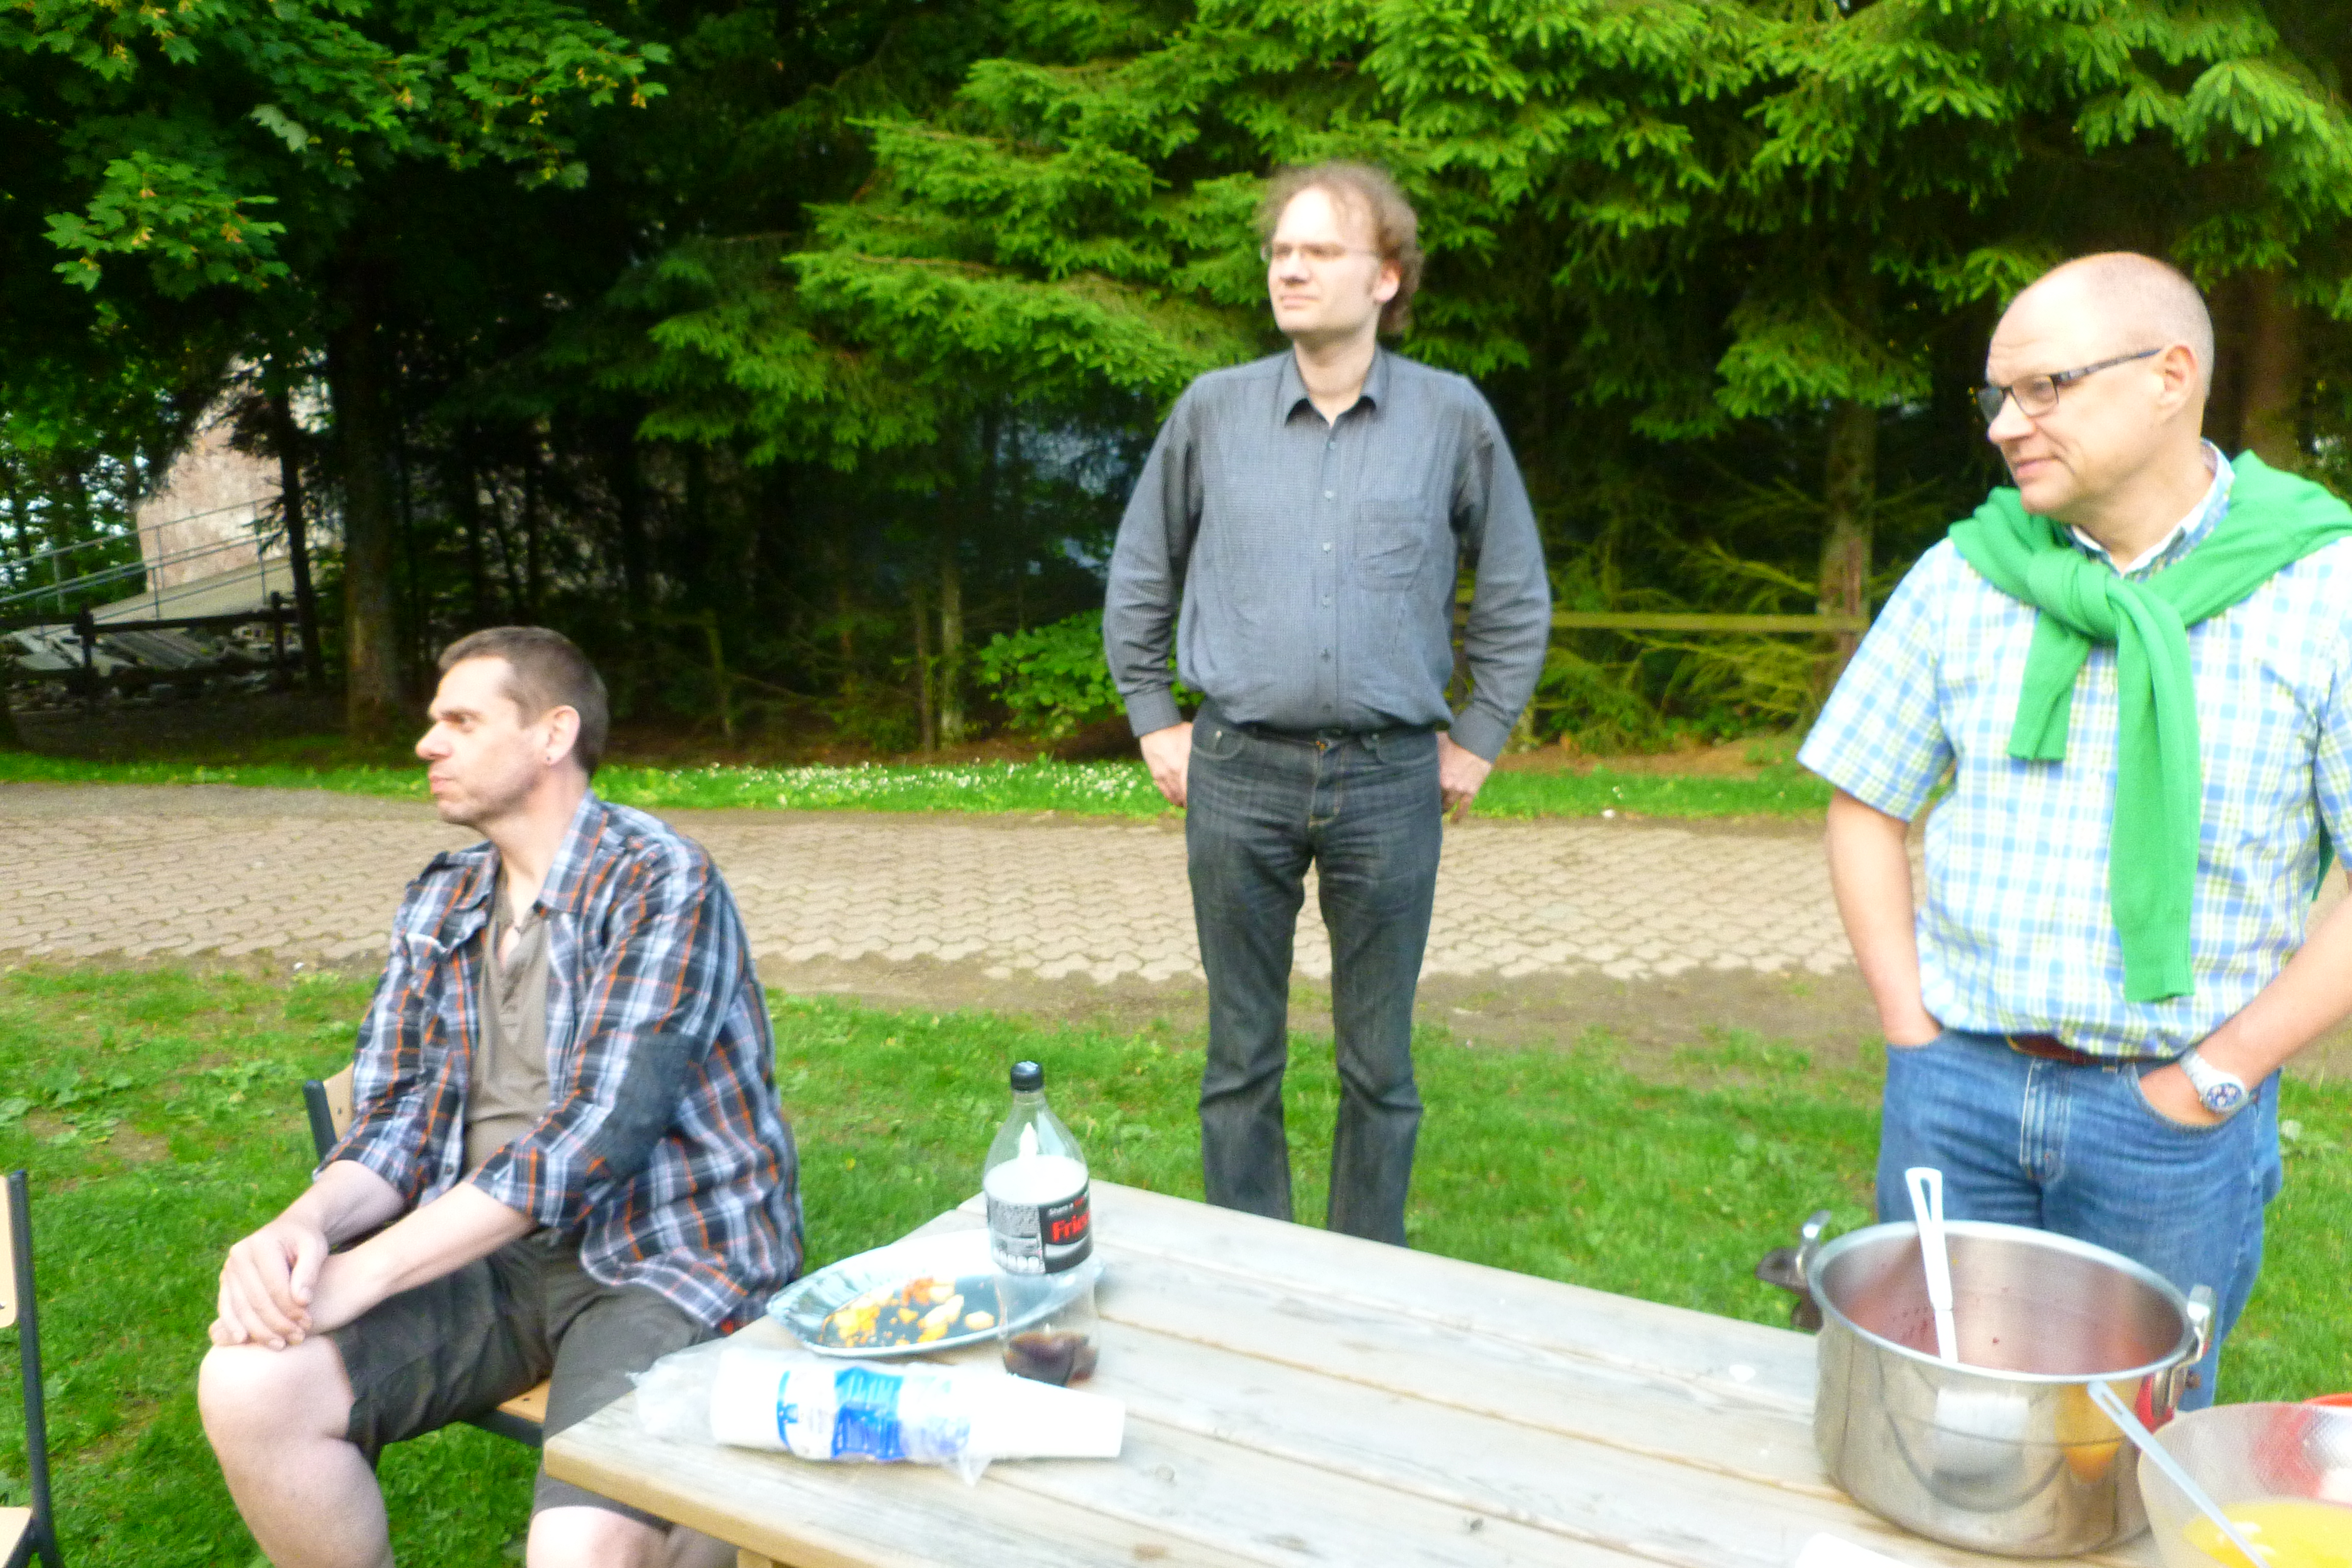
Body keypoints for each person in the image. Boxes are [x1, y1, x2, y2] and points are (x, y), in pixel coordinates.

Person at [1801, 253, 2352, 1403]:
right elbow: (1864, 800)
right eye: (1997, 395)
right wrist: (1911, 1030)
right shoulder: (1968, 574)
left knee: (2129, 1440)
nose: (2006, 425)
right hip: (1956, 1089)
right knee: (1923, 1410)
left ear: (2171, 377)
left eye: (2043, 387)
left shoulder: (2322, 589)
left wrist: (2214, 1079)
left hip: (2174, 1119)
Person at [198, 627, 801, 1567]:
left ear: (552, 734)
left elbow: (597, 1137)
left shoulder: (660, 881)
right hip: (493, 1259)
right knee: (248, 1387)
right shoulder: (443, 898)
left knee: (577, 1554)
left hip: (665, 1259)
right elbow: (400, 1113)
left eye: (461, 721)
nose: (426, 743)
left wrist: (366, 1272)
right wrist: (303, 1225)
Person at [1102, 161, 1551, 1245]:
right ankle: (1254, 1273)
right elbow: (1142, 571)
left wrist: (1479, 738)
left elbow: (1514, 588)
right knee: (1239, 1058)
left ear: (1386, 278)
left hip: (1393, 781)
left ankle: (1365, 1276)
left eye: (1320, 251)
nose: (1290, 269)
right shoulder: (1213, 412)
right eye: (1281, 250)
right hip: (1237, 770)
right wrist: (1154, 716)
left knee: (1380, 1066)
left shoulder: (1451, 417)